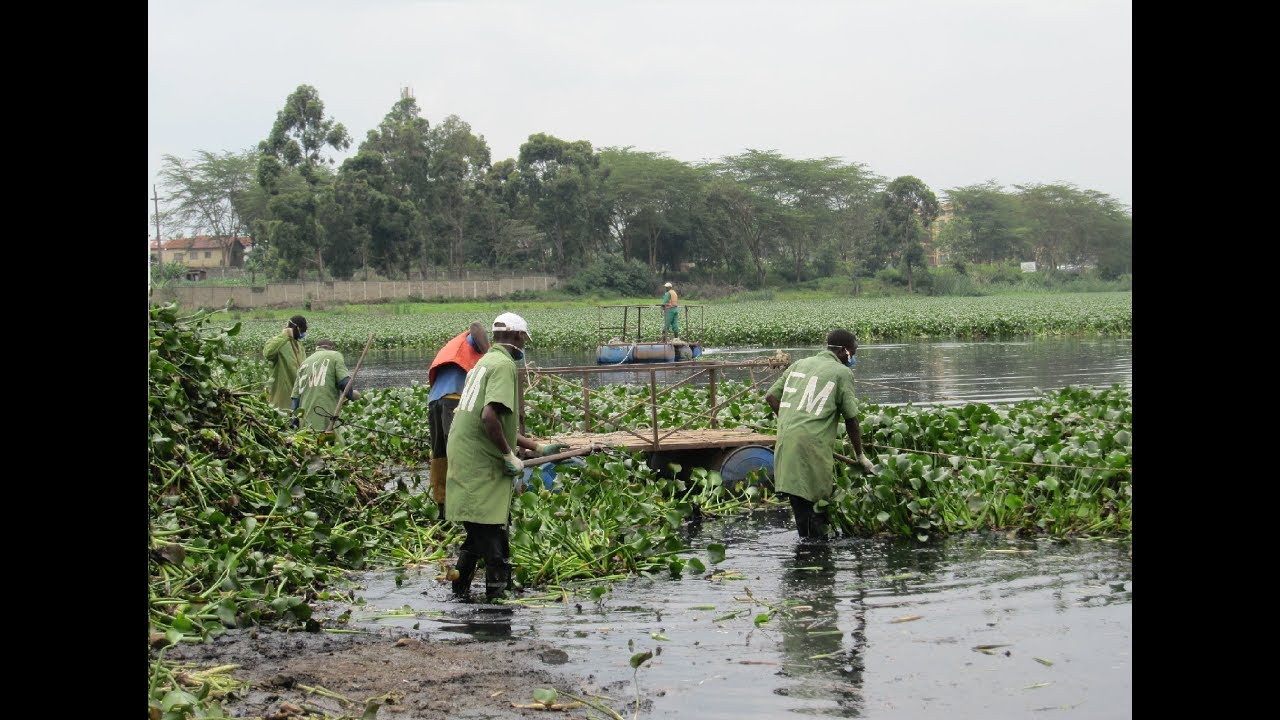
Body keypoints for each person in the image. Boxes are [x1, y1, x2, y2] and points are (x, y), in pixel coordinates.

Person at [444, 312, 568, 602]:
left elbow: (490, 419)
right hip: (480, 458)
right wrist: (509, 455)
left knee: (478, 531)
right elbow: (489, 417)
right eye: (523, 338)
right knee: (493, 533)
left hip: (464, 450)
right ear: (516, 337)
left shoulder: (484, 362)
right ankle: (498, 601)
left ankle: (458, 594)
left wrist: (535, 447)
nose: (524, 344)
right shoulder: (503, 366)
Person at [765, 328, 874, 540]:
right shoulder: (842, 373)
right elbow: (851, 419)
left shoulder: (800, 364)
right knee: (815, 512)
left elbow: (771, 396)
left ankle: (806, 560)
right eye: (854, 351)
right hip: (811, 449)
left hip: (786, 442)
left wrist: (790, 420)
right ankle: (815, 561)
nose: (854, 357)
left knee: (801, 508)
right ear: (844, 351)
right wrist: (860, 456)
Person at [427, 322, 491, 520]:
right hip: (451, 400)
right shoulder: (471, 341)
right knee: (457, 451)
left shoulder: (455, 344)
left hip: (434, 400)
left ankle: (443, 506)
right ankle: (462, 505)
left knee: (440, 453)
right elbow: (478, 332)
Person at [291, 339, 361, 438]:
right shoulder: (334, 355)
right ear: (331, 348)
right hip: (326, 418)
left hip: (306, 423)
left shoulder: (304, 363)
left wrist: (294, 422)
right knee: (336, 446)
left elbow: (295, 399)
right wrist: (353, 395)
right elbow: (345, 384)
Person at [263, 315, 307, 412]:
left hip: (297, 394)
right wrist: (284, 336)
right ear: (295, 328)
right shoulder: (278, 342)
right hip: (281, 396)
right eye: (302, 331)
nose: (303, 334)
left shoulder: (299, 345)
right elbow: (267, 353)